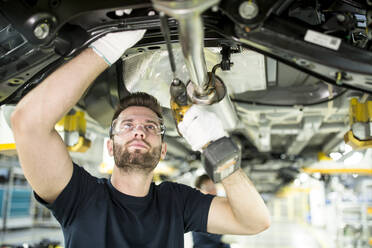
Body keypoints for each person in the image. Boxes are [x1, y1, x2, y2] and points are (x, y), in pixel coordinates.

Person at [11, 29, 270, 247]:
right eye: (127, 125)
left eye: (151, 126)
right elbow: (28, 123)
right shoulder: (81, 196)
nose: (139, 130)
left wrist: (218, 149)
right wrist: (106, 48)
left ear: (163, 149)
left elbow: (254, 221)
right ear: (110, 146)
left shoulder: (176, 202)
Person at [192, 175, 231, 248]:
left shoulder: (216, 207)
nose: (213, 191)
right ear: (198, 190)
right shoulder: (198, 211)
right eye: (209, 188)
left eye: (214, 187)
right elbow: (220, 235)